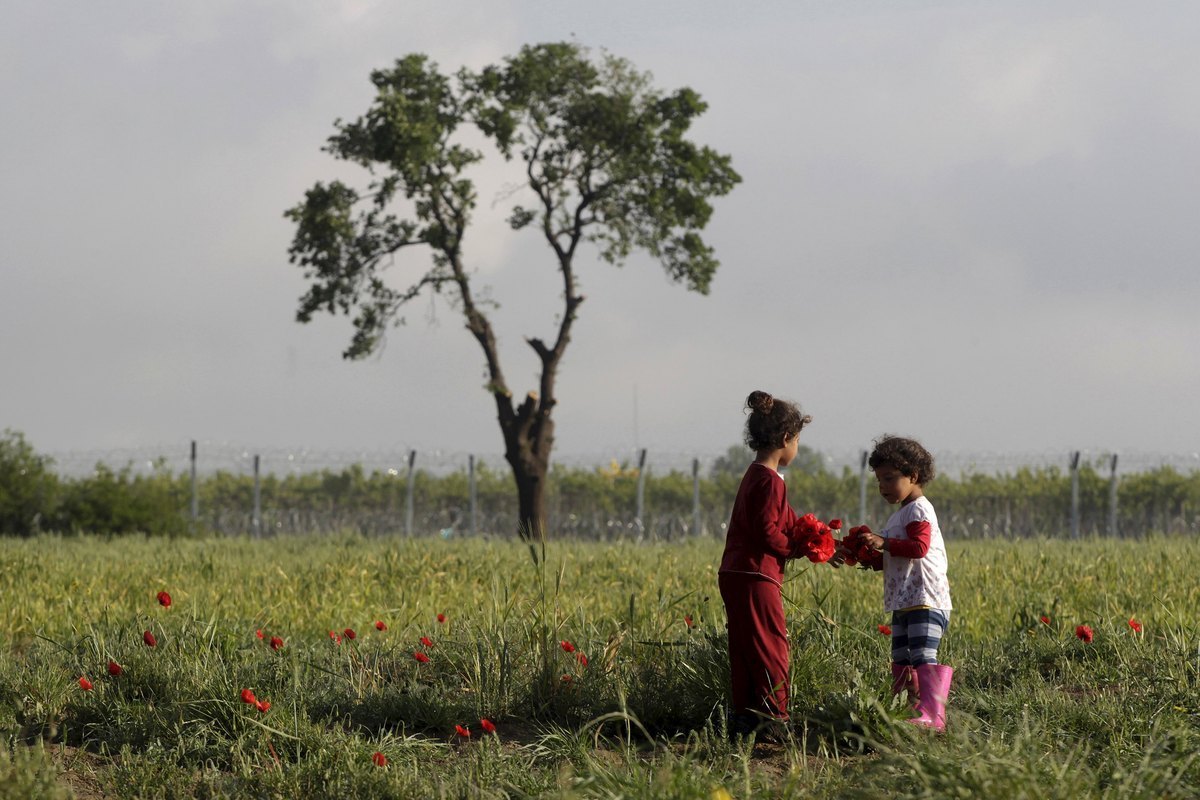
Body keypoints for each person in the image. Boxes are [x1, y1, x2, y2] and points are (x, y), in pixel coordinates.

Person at [717, 390, 815, 739]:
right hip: (756, 574)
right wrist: (793, 549)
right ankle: (776, 717)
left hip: (735, 572)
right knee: (771, 644)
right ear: (786, 439)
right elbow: (767, 530)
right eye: (797, 440)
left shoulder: (755, 476)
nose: (797, 448)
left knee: (745, 646)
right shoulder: (770, 481)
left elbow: (783, 520)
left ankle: (745, 716)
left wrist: (811, 535)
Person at [851, 435, 954, 731]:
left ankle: (934, 715)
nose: (883, 486)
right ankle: (906, 709)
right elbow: (896, 555)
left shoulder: (919, 509)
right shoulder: (902, 514)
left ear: (914, 476)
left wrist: (883, 542)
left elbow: (919, 548)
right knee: (901, 655)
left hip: (925, 597)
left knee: (923, 654)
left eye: (890, 478)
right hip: (906, 599)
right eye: (879, 481)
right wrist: (868, 554)